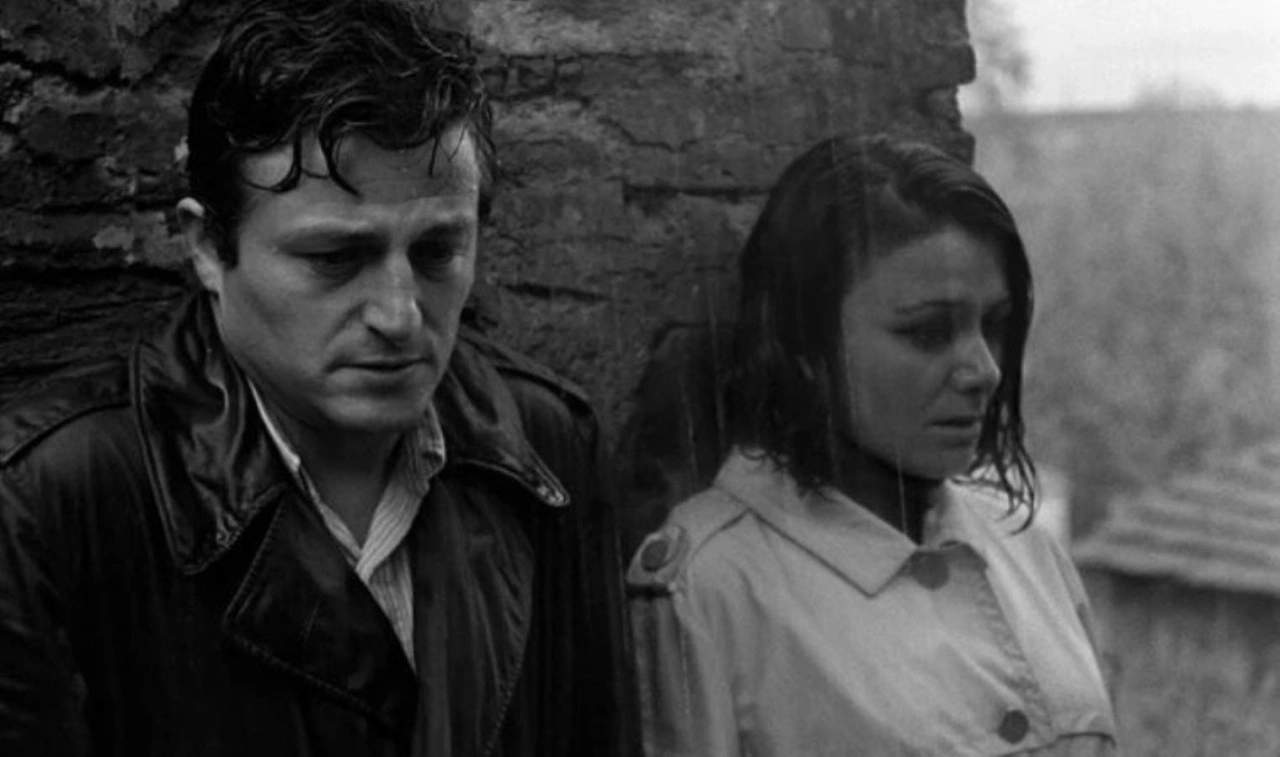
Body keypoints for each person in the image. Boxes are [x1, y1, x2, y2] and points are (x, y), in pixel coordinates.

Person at [0, 1, 636, 755]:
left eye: (437, 251)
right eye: (334, 258)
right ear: (206, 247)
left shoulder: (546, 443)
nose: (398, 314)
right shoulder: (46, 499)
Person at [628, 134, 1117, 756]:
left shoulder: (1029, 551)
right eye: (927, 332)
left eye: (994, 325)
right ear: (804, 347)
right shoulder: (711, 588)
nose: (984, 370)